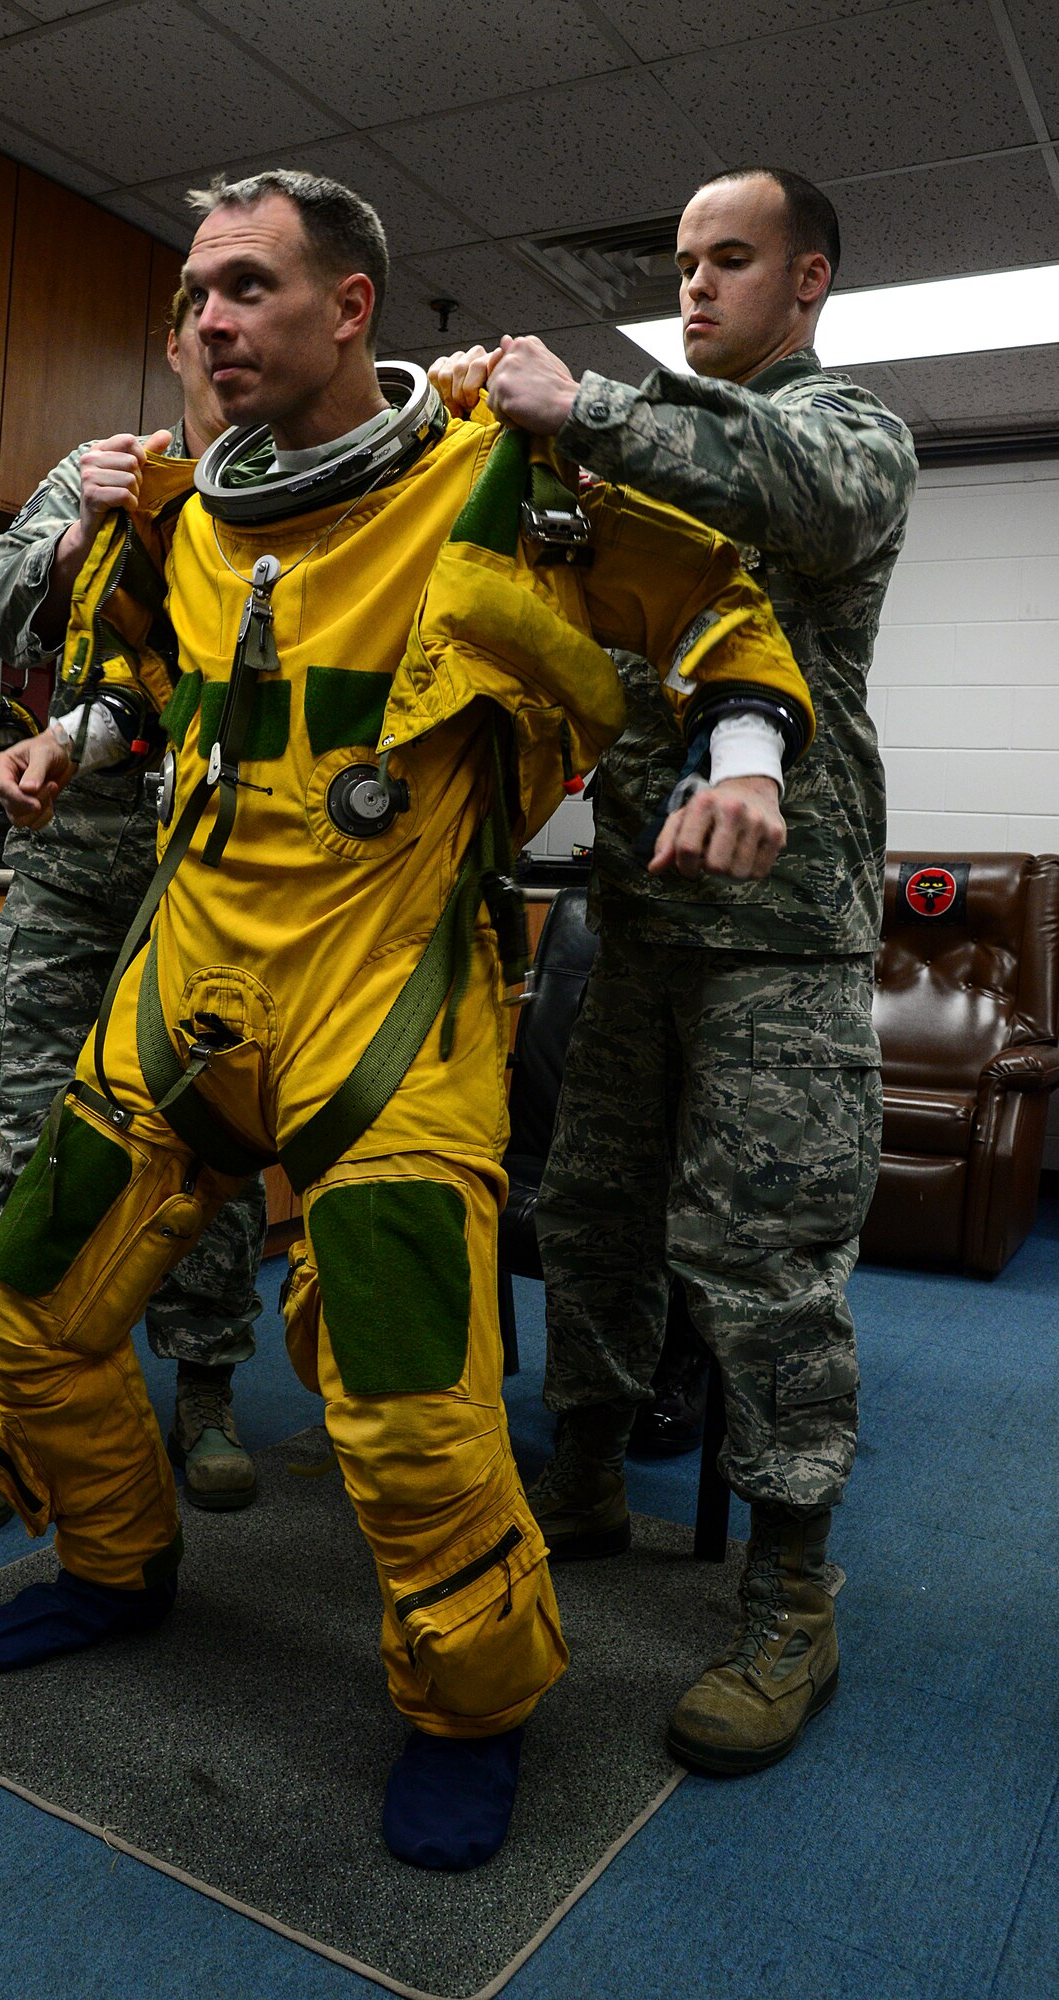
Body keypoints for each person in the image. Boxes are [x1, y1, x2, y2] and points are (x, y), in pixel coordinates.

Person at [0, 169, 812, 1869]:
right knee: (29, 1320)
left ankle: (467, 1708)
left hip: (386, 997)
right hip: (188, 985)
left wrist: (751, 767)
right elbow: (142, 673)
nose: (208, 321)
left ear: (350, 307)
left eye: (249, 288)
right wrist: (79, 741)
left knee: (413, 1412)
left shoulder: (501, 478)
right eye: (198, 292)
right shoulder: (181, 517)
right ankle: (113, 1565)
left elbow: (721, 614)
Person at [437, 165, 918, 1777]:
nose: (694, 287)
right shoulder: (646, 461)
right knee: (583, 1208)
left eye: (729, 262)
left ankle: (789, 1595)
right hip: (630, 913)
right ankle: (577, 1475)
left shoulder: (839, 430)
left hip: (782, 930)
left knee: (764, 1255)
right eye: (681, 265)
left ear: (808, 280)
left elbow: (785, 488)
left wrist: (585, 409)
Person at [0, 290, 268, 1536]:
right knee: (36, 1130)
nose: (220, 336)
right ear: (171, 345)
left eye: (246, 308)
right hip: (72, 860)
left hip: (216, 869)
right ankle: (12, 1396)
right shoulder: (99, 468)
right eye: (198, 318)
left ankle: (209, 1393)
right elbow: (0, 606)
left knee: (207, 1142)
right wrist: (80, 532)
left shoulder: (285, 489)